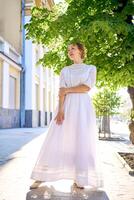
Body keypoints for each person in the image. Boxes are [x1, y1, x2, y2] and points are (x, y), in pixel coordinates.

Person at [30, 42, 103, 191]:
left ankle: (79, 178)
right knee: (55, 137)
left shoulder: (91, 68)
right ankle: (41, 175)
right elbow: (60, 92)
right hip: (66, 106)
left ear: (81, 51)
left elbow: (86, 87)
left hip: (83, 108)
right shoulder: (65, 70)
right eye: (68, 49)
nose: (70, 51)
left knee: (81, 139)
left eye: (73, 49)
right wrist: (60, 110)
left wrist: (67, 90)